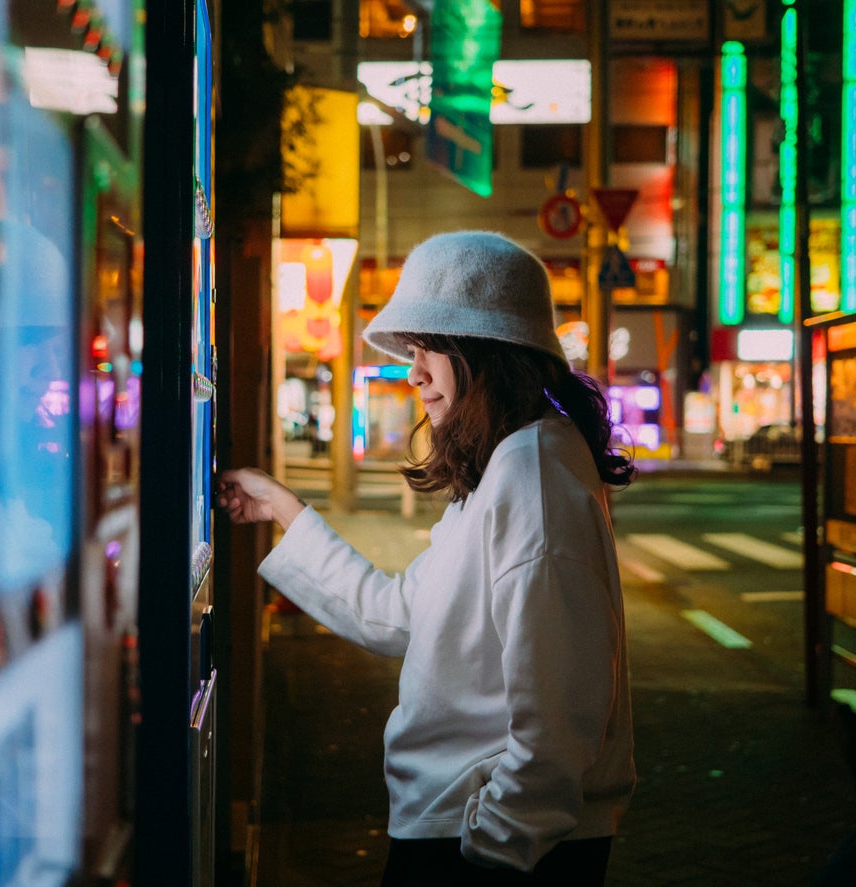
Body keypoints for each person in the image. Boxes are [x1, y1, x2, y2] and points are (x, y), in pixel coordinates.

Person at [218, 231, 636, 883]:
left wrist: (496, 841)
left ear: (483, 349)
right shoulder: (505, 468)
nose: (411, 372)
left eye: (425, 349)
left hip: (493, 844)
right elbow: (397, 617)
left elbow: (561, 708)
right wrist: (279, 506)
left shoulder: (531, 474)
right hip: (464, 825)